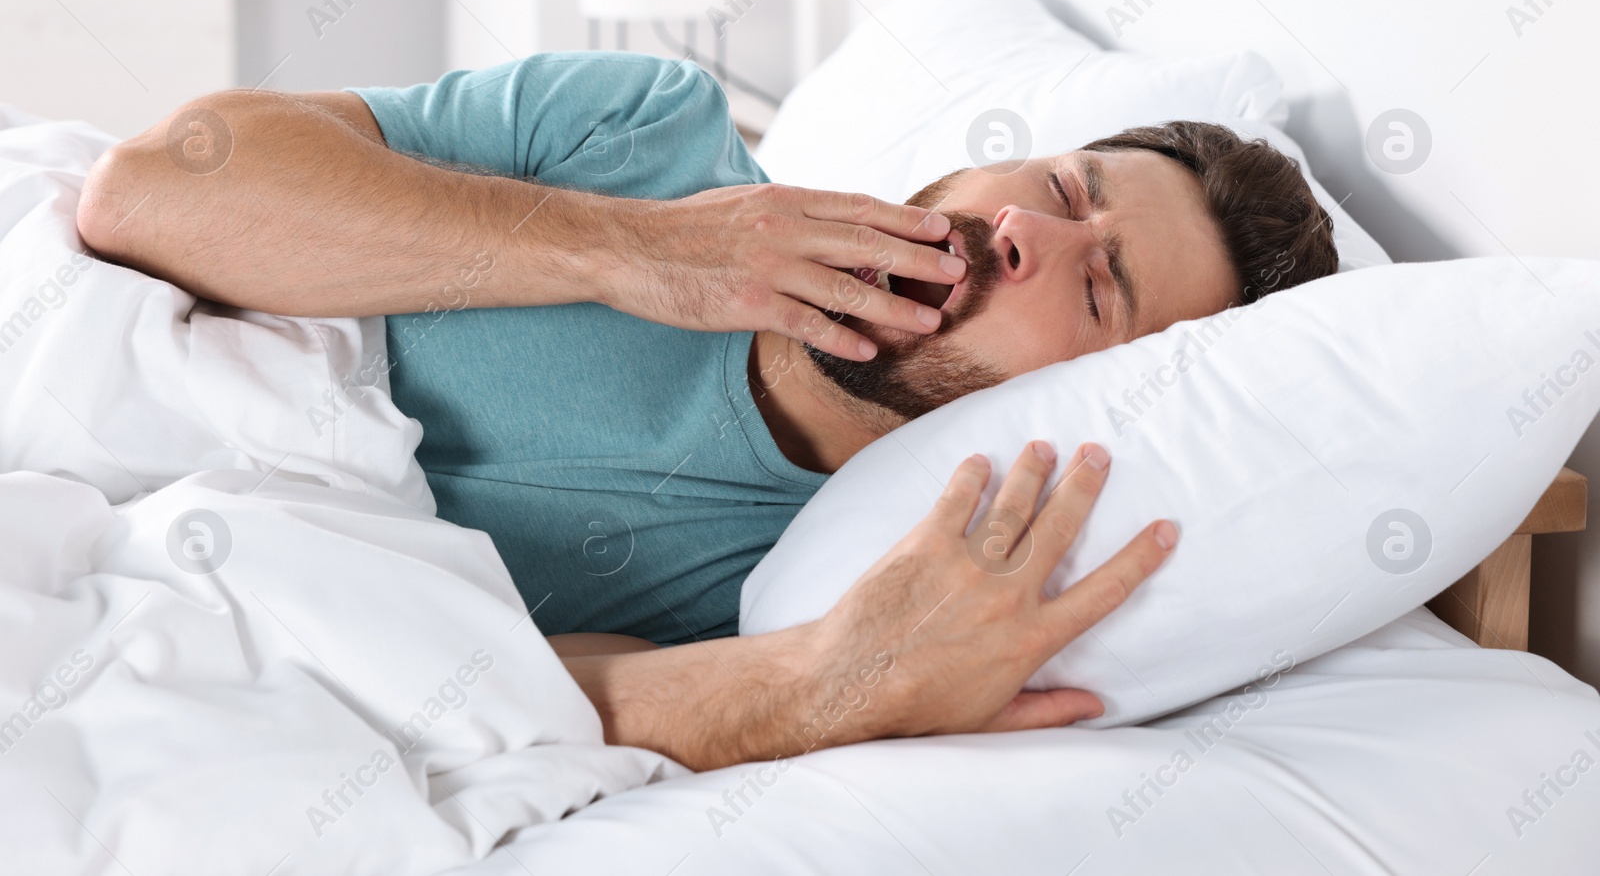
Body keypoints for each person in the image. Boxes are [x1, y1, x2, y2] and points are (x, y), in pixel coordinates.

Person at [76, 52, 1338, 770]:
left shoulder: (790, 576)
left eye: (1100, 284)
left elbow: (476, 705)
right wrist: (618, 248)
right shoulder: (646, 131)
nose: (1024, 232)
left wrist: (828, 681)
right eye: (1061, 184)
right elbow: (149, 195)